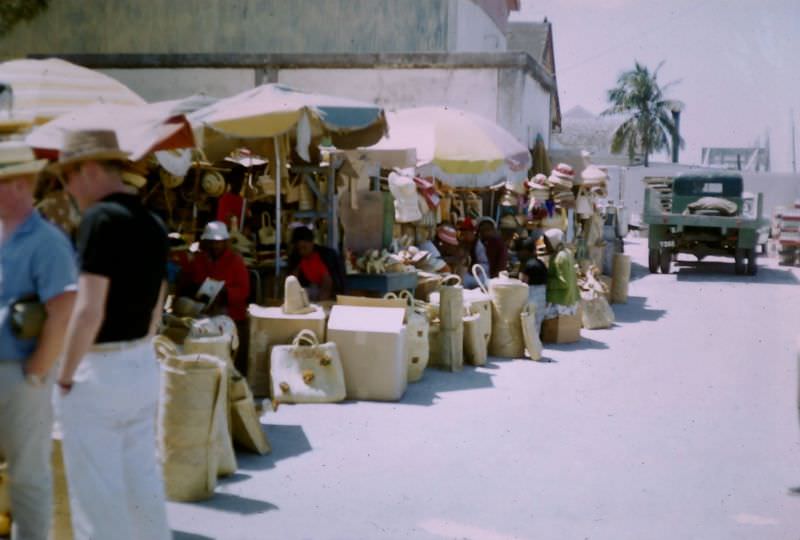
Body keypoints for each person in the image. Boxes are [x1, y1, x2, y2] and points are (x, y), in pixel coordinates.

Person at [54, 129, 171, 540]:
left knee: (97, 501)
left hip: (99, 371)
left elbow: (88, 312)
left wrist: (64, 376)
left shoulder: (99, 220)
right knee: (142, 484)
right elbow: (157, 307)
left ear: (87, 169)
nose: (67, 190)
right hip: (141, 363)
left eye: (66, 178)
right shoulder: (154, 224)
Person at [0, 143, 77, 540]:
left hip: (20, 372)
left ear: (20, 184)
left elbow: (63, 309)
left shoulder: (48, 241)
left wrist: (36, 371)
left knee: (27, 474)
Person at [179, 220, 251, 372]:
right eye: (211, 242)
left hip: (230, 314)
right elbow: (187, 283)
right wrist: (196, 290)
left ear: (225, 242)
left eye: (218, 242)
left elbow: (244, 290)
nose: (215, 246)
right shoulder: (199, 259)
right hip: (203, 314)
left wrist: (225, 293)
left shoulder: (235, 261)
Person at [287, 226, 345, 301]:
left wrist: (321, 302)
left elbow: (327, 284)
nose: (302, 252)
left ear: (311, 243)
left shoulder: (324, 256)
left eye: (304, 248)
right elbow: (292, 283)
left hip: (328, 296)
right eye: (299, 249)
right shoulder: (297, 258)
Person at [543, 228, 580, 320]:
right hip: (568, 298)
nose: (546, 246)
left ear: (554, 242)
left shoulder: (560, 257)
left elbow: (563, 282)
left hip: (561, 301)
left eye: (547, 243)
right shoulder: (566, 252)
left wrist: (546, 282)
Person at [518, 242, 549, 336]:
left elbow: (523, 282)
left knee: (528, 322)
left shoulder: (528, 265)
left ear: (526, 251)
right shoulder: (541, 264)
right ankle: (535, 341)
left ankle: (529, 342)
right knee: (537, 324)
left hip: (531, 295)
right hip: (542, 296)